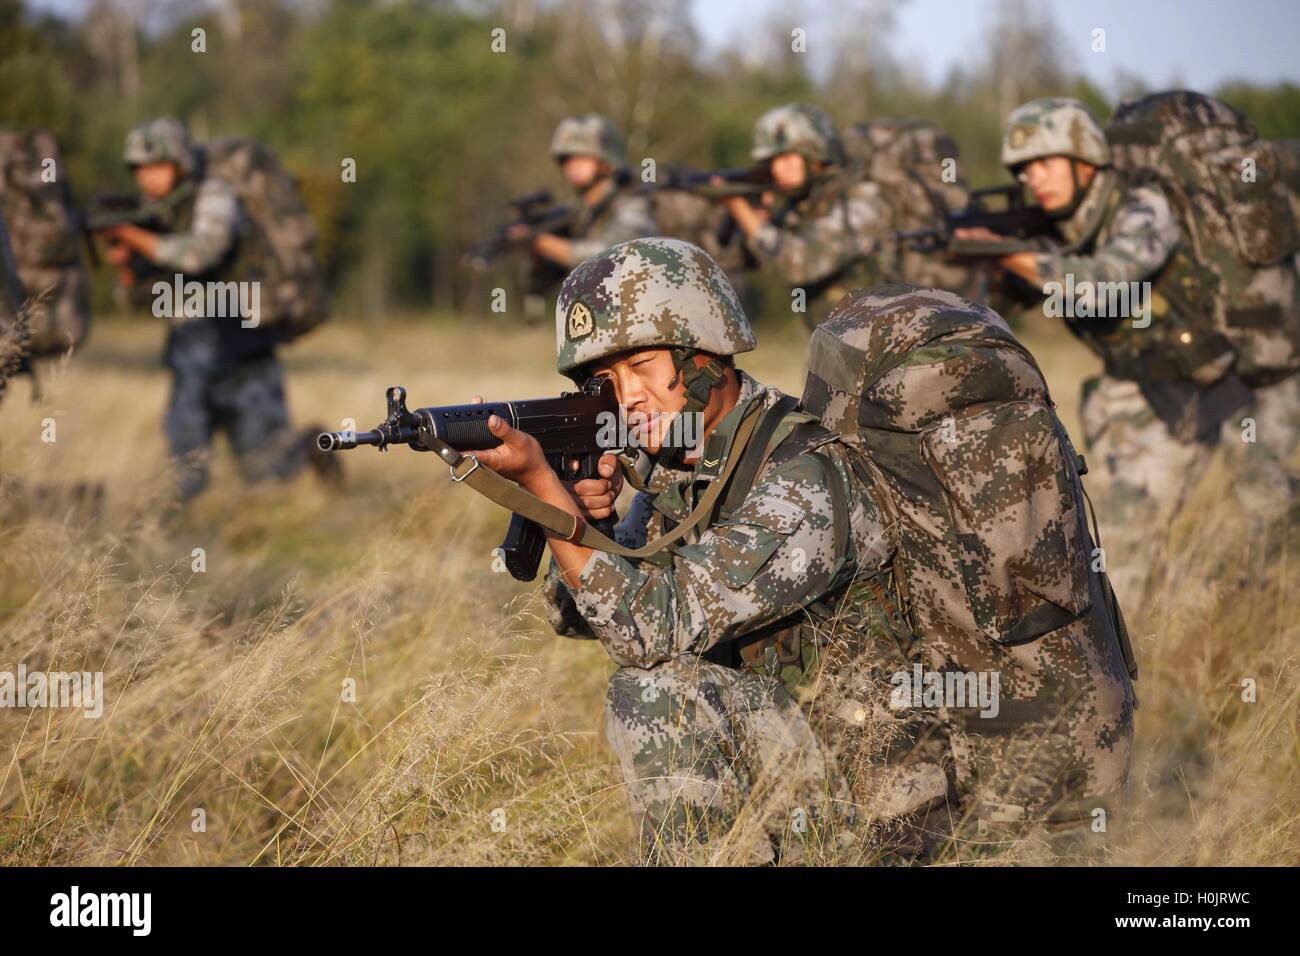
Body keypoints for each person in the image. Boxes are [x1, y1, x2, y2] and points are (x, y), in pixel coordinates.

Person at [465, 237, 1134, 863]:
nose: (626, 395)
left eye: (641, 365)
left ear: (705, 355)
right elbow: (583, 614)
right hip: (831, 763)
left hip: (904, 798)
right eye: (604, 379)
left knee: (657, 695)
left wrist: (543, 495)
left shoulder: (806, 476)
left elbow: (648, 629)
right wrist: (586, 517)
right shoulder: (679, 473)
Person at [956, 97, 1300, 599]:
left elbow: (1105, 285)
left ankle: (1267, 617)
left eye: (1046, 161)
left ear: (1086, 160)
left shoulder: (1145, 205)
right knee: (1127, 525)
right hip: (1168, 379)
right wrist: (993, 268)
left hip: (1257, 373)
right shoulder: (1057, 226)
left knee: (1268, 509)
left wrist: (1013, 257)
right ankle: (1136, 643)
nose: (1035, 177)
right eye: (1024, 168)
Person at [98, 117, 337, 501]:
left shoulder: (214, 194)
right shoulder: (156, 215)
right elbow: (135, 299)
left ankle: (312, 449)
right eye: (140, 170)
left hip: (242, 340)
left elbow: (202, 253)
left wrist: (134, 237)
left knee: (268, 468)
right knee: (184, 463)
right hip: (191, 349)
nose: (148, 179)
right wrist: (126, 262)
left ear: (179, 162)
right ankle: (183, 537)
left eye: (156, 166)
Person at [712, 104, 894, 329]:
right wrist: (754, 219)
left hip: (881, 343)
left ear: (815, 156)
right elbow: (740, 261)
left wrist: (738, 206)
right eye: (772, 162)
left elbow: (798, 264)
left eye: (787, 158)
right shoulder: (803, 207)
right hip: (837, 342)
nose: (778, 169)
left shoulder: (861, 200)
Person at [507, 114, 655, 274]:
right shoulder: (584, 212)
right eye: (567, 159)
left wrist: (540, 241)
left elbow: (614, 255)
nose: (572, 165)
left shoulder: (633, 201)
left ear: (606, 161)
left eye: (582, 157)